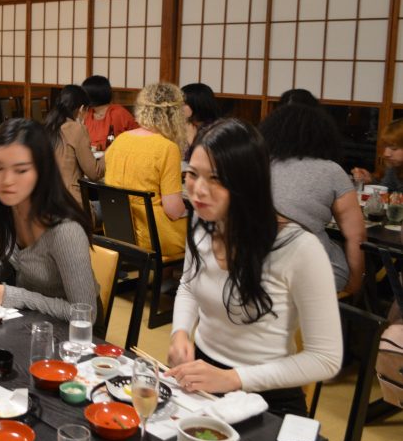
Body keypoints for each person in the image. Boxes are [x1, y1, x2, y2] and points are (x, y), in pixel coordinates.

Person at [168, 119, 342, 416]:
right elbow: (188, 284)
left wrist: (233, 378)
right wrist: (180, 333)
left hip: (267, 400)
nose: (198, 190)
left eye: (216, 179)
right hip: (202, 382)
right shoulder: (202, 223)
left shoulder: (298, 248)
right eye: (192, 174)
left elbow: (325, 358)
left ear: (247, 182)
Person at [0, 119, 99, 321]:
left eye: (21, 170)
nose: (7, 181)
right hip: (30, 322)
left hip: (72, 336)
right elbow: (2, 266)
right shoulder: (5, 208)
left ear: (42, 171)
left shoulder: (65, 230)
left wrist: (14, 295)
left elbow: (85, 314)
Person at [260, 104, 365, 294]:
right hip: (312, 273)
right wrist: (354, 286)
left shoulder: (257, 163)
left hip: (257, 269)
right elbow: (356, 236)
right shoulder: (331, 170)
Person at [104, 82, 187, 259]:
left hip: (116, 231)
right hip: (153, 237)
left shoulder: (120, 140)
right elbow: (173, 210)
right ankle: (183, 284)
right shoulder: (167, 148)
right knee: (203, 232)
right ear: (174, 115)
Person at [43, 85, 103, 205]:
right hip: (71, 204)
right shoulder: (76, 129)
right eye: (87, 110)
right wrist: (111, 152)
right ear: (81, 109)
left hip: (46, 202)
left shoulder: (48, 126)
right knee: (106, 207)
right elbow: (94, 173)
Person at [81, 75, 137, 150]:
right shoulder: (88, 113)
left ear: (93, 95)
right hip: (92, 157)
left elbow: (115, 143)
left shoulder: (117, 113)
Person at [352, 118, 403, 192]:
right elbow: (385, 191)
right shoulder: (394, 167)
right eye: (385, 146)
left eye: (393, 148)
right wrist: (370, 180)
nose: (386, 154)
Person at [181, 82, 219, 151]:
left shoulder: (215, 131)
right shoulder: (184, 124)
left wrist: (191, 139)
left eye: (183, 104)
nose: (178, 107)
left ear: (196, 105)